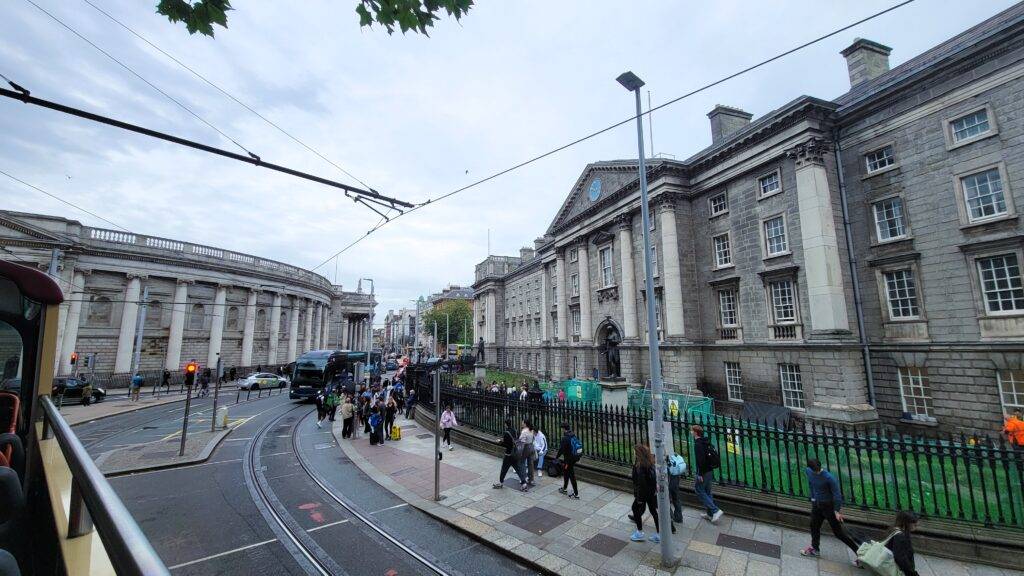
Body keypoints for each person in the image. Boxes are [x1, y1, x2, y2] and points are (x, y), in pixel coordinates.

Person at [800, 458, 860, 562]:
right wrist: (813, 498)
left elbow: (837, 495)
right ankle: (815, 549)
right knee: (814, 526)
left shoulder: (829, 478)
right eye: (815, 470)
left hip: (829, 507)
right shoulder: (809, 472)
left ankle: (859, 554)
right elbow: (811, 484)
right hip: (817, 506)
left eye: (818, 469)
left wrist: (836, 511)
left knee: (839, 533)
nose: (817, 472)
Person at [629, 443, 661, 543]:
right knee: (653, 511)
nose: (633, 453)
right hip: (651, 492)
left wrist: (639, 498)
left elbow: (641, 483)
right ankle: (659, 534)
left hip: (644, 493)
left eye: (635, 451)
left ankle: (639, 532)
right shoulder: (649, 462)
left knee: (635, 508)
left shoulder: (640, 466)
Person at [691, 425, 724, 523]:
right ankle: (710, 514)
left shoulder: (698, 444)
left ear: (696, 433)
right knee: (707, 491)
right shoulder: (705, 441)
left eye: (692, 431)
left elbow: (700, 460)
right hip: (710, 470)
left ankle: (715, 510)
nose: (691, 433)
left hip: (703, 472)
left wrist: (699, 474)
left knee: (699, 490)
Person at [492, 418, 528, 492]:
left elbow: (506, 445)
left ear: (505, 424)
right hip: (515, 453)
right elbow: (515, 440)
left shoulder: (506, 433)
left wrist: (500, 442)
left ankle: (500, 482)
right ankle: (524, 483)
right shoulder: (515, 431)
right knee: (518, 469)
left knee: (504, 469)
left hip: (508, 454)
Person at [886, 511, 921, 576]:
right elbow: (901, 558)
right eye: (913, 522)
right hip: (899, 570)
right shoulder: (900, 536)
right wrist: (912, 573)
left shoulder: (896, 531)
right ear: (906, 523)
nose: (916, 524)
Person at [556, 422, 581, 499]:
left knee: (571, 475)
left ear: (563, 429)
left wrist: (557, 457)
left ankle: (576, 494)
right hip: (574, 457)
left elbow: (561, 449)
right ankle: (564, 488)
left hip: (568, 460)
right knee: (566, 471)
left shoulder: (565, 438)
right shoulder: (573, 435)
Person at [519, 419, 536, 486]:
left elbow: (522, 441)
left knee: (522, 462)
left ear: (525, 424)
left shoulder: (524, 431)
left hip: (525, 447)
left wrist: (520, 451)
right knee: (530, 464)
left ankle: (523, 478)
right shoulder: (531, 430)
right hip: (531, 446)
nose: (521, 423)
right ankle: (531, 479)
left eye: (522, 422)